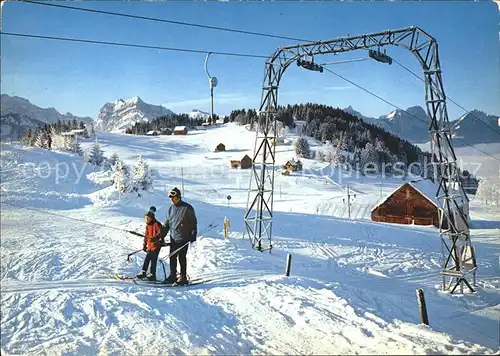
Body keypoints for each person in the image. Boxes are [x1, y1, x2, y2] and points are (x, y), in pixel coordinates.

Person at [164, 187, 197, 285]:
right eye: (171, 198)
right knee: (172, 256)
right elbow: (167, 223)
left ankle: (183, 277)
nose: (172, 200)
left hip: (184, 237)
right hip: (173, 237)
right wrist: (161, 235)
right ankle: (172, 276)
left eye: (173, 198)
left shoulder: (187, 208)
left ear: (178, 197)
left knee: (181, 257)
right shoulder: (171, 208)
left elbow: (193, 223)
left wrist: (193, 235)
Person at [136, 206, 163, 281]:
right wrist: (144, 245)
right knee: (147, 258)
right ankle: (143, 272)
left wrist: (154, 238)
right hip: (150, 246)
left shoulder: (156, 224)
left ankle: (152, 274)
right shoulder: (148, 226)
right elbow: (146, 236)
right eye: (145, 218)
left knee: (153, 259)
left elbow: (160, 233)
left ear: (151, 218)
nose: (146, 219)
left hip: (156, 245)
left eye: (148, 218)